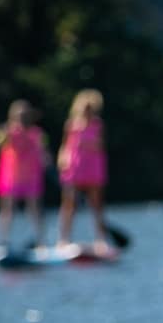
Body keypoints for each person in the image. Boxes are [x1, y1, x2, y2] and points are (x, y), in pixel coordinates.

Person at [0, 100, 47, 251]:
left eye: (25, 116)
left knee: (35, 210)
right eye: (19, 116)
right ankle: (3, 243)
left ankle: (40, 243)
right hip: (11, 177)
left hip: (31, 177)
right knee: (7, 211)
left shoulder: (37, 133)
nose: (22, 119)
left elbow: (45, 155)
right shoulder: (4, 131)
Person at [55, 89, 110, 248]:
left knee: (96, 204)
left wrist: (86, 144)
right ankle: (64, 239)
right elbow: (64, 145)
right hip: (74, 168)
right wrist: (62, 159)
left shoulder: (97, 124)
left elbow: (101, 144)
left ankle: (100, 240)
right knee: (69, 204)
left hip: (92, 166)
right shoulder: (71, 124)